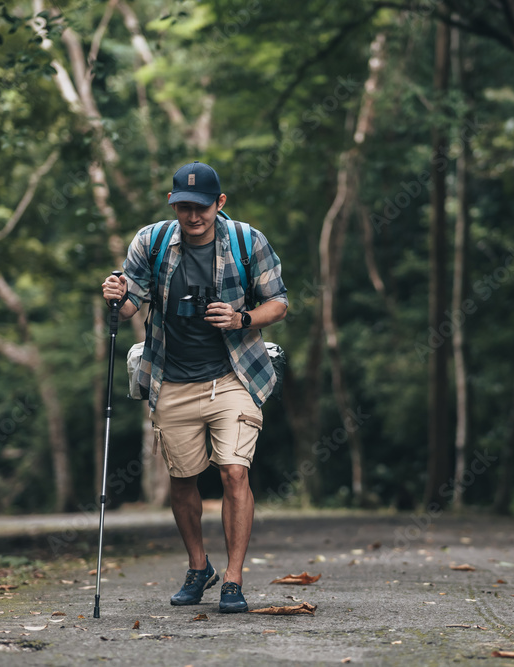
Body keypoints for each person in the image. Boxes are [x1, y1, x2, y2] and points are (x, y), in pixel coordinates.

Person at [101, 161, 288, 614]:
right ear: (173, 205)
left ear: (219, 203)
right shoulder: (152, 242)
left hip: (234, 375)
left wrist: (242, 318)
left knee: (233, 471)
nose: (193, 216)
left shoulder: (247, 241)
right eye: (183, 207)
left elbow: (279, 303)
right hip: (173, 377)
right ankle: (198, 566)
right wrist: (115, 294)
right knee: (182, 480)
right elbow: (131, 307)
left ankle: (233, 579)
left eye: (201, 207)